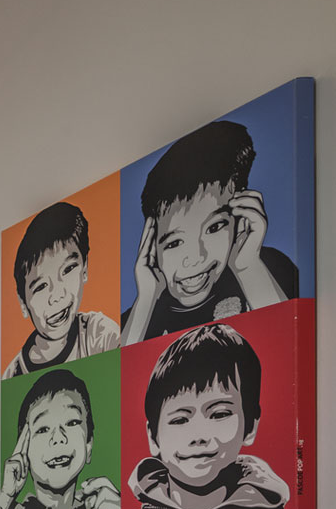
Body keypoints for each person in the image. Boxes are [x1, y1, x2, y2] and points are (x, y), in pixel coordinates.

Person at [121, 120, 298, 345]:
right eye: (174, 242)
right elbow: (122, 367)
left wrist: (248, 268)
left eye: (214, 228)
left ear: (240, 218)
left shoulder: (269, 270)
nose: (196, 257)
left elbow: (291, 348)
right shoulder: (142, 315)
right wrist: (146, 299)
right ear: (152, 248)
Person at [127, 323, 287, 509]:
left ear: (251, 425)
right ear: (153, 437)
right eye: (180, 419)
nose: (199, 436)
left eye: (219, 414)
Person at [5, 202, 121, 379]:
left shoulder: (99, 335)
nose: (57, 296)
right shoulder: (12, 375)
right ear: (23, 303)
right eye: (41, 287)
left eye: (68, 270)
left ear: (84, 268)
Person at [1, 369, 121, 509]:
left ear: (89, 445)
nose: (58, 438)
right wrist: (6, 497)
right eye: (43, 429)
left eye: (72, 422)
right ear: (24, 450)